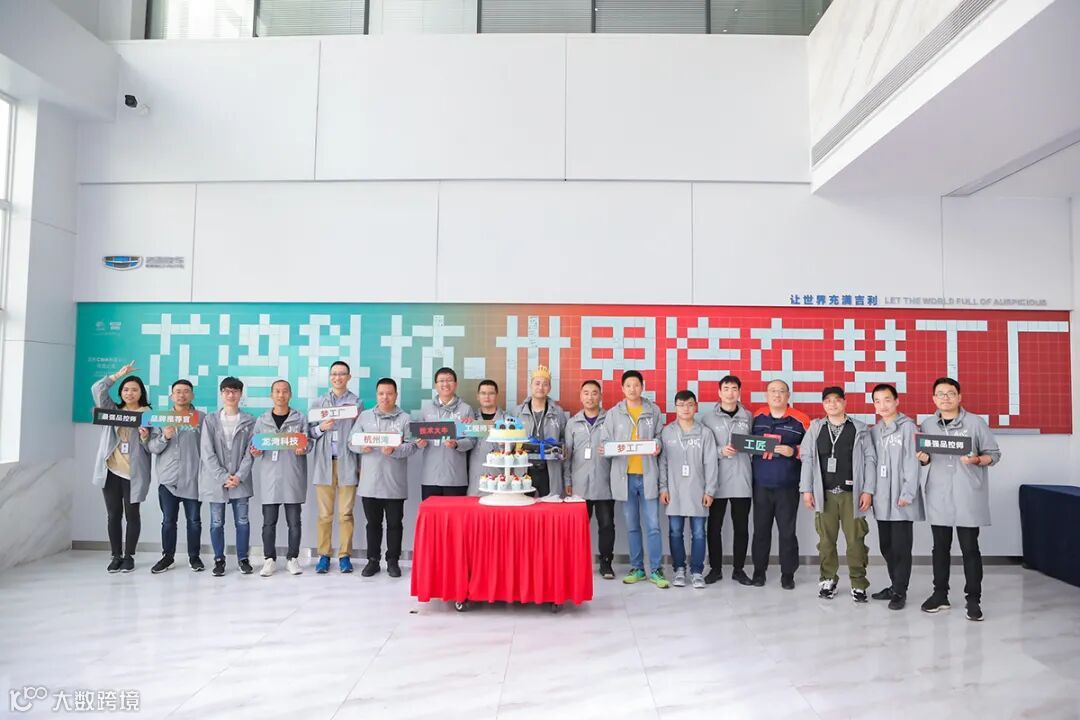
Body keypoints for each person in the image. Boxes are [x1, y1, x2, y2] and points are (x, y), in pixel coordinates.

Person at [917, 377, 1001, 621]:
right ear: (934, 398)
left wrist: (977, 460)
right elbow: (926, 457)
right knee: (940, 548)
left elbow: (994, 454)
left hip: (967, 494)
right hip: (939, 493)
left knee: (970, 548)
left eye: (950, 393)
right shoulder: (927, 424)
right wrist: (923, 459)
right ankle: (940, 595)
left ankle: (973, 600)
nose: (945, 398)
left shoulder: (975, 423)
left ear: (959, 397)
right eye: (940, 394)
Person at [799, 387, 877, 602]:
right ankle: (827, 579)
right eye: (828, 401)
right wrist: (806, 489)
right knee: (826, 541)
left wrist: (868, 490)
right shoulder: (816, 428)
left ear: (845, 402)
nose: (832, 404)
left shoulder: (859, 428)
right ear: (823, 404)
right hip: (824, 494)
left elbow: (870, 459)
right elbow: (807, 459)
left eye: (837, 400)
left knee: (856, 541)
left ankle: (858, 583)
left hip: (852, 494)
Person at [600, 370, 668, 589]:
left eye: (636, 385)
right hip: (625, 477)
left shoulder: (653, 410)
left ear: (642, 387)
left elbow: (660, 437)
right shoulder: (614, 413)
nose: (632, 389)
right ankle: (637, 568)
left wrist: (657, 445)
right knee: (631, 525)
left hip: (648, 475)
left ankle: (656, 569)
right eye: (628, 385)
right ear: (622, 388)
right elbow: (605, 442)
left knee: (653, 525)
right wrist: (606, 449)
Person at [91, 361, 152, 574]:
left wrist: (145, 437)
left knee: (132, 515)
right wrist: (117, 375)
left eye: (134, 390)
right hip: (111, 470)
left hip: (134, 473)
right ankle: (116, 555)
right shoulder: (112, 411)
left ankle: (129, 556)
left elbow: (153, 446)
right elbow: (97, 389)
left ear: (141, 393)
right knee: (113, 514)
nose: (129, 393)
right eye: (126, 389)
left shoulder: (148, 415)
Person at [354, 378, 418, 578]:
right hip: (369, 482)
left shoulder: (405, 419)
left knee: (394, 524)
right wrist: (360, 447)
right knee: (372, 524)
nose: (385, 397)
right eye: (381, 393)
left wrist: (395, 450)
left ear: (396, 395)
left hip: (394, 482)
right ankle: (373, 561)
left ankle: (393, 561)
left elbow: (412, 446)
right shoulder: (364, 417)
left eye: (389, 393)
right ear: (376, 395)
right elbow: (351, 441)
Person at [750, 379, 809, 589]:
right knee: (760, 531)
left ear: (788, 395)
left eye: (781, 391)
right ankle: (759, 572)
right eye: (773, 391)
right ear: (766, 395)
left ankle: (788, 574)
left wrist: (794, 451)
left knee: (787, 532)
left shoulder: (801, 419)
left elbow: (812, 450)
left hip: (788, 486)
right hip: (761, 485)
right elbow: (746, 443)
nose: (777, 395)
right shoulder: (756, 417)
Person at [868, 383, 923, 611]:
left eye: (887, 399)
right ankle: (894, 585)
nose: (883, 405)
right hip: (882, 497)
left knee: (901, 547)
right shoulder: (874, 431)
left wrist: (908, 492)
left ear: (897, 401)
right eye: (877, 401)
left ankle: (900, 591)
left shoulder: (909, 427)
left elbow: (913, 462)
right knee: (886, 546)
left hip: (901, 497)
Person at [658, 390, 718, 589]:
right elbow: (663, 463)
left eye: (690, 404)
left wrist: (710, 490)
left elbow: (711, 463)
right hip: (674, 490)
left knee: (699, 533)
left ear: (696, 407)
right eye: (681, 405)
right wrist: (663, 488)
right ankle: (679, 569)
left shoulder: (705, 433)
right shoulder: (667, 432)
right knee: (675, 532)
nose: (686, 408)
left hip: (698, 491)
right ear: (675, 407)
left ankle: (697, 571)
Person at [308, 361, 363, 574]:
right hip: (324, 463)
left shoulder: (355, 404)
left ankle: (345, 555)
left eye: (342, 374)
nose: (337, 377)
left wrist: (359, 464)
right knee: (324, 514)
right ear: (330, 377)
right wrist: (322, 428)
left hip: (347, 462)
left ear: (349, 377)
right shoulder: (318, 403)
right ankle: (324, 555)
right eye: (334, 374)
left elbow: (359, 435)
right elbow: (309, 434)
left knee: (346, 514)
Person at [251, 380, 311, 577]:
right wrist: (255, 451)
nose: (281, 395)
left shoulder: (299, 418)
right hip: (270, 476)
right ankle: (269, 559)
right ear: (271, 395)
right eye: (277, 391)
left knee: (294, 521)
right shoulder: (262, 420)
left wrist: (304, 447)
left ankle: (292, 558)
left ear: (290, 394)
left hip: (293, 474)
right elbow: (254, 445)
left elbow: (308, 442)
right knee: (269, 522)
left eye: (285, 391)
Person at [199, 376, 256, 577]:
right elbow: (207, 452)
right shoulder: (210, 420)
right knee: (216, 522)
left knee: (242, 521)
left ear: (240, 394)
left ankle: (243, 559)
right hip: (216, 481)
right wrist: (223, 476)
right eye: (227, 391)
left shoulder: (250, 420)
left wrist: (239, 476)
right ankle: (219, 560)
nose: (231, 395)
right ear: (221, 394)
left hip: (240, 480)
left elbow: (251, 451)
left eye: (235, 391)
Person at [700, 374, 754, 585]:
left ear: (739, 392)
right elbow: (703, 450)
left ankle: (739, 569)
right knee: (714, 527)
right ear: (719, 392)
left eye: (734, 389)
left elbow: (755, 445)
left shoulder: (748, 416)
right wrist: (721, 450)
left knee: (741, 527)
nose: (730, 393)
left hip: (742, 478)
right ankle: (715, 569)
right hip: (717, 480)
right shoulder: (707, 419)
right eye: (726, 388)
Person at [147, 379, 203, 573]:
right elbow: (152, 447)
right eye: (178, 391)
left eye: (186, 391)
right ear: (171, 396)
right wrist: (165, 437)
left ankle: (194, 557)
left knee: (194, 521)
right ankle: (167, 557)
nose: (182, 395)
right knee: (168, 521)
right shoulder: (161, 418)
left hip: (193, 478)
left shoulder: (201, 418)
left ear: (192, 395)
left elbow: (208, 447)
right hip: (168, 480)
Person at [564, 379, 614, 578]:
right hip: (579, 484)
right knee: (578, 527)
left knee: (606, 525)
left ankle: (606, 563)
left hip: (604, 483)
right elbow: (567, 455)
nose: (590, 397)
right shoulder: (572, 423)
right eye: (586, 393)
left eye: (594, 393)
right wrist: (568, 481)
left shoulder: (610, 420)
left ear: (600, 396)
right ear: (580, 396)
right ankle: (576, 563)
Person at [416, 367, 475, 499]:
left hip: (456, 477)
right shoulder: (426, 409)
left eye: (449, 380)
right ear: (436, 385)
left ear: (456, 384)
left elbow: (472, 441)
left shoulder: (466, 409)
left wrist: (457, 444)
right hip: (430, 476)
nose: (445, 384)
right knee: (431, 512)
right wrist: (420, 443)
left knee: (455, 512)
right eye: (441, 381)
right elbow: (417, 437)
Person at [515, 366, 567, 498]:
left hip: (549, 469)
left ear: (549, 388)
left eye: (545, 384)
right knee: (523, 505)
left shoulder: (558, 412)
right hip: (524, 469)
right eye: (537, 383)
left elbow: (564, 439)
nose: (540, 387)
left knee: (550, 505)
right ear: (531, 386)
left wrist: (562, 450)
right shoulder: (518, 412)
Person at [467, 379, 505, 495]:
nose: (487, 397)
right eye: (483, 393)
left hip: (499, 477)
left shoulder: (507, 420)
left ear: (496, 395)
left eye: (491, 393)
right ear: (477, 396)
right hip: (475, 478)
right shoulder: (471, 420)